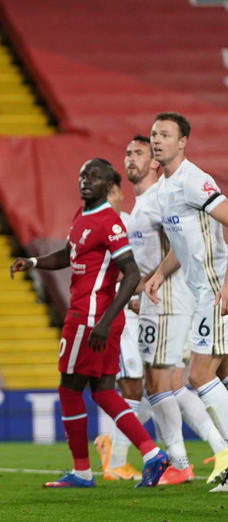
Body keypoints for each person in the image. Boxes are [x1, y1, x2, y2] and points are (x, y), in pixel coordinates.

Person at [10, 158, 169, 488]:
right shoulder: (82, 217)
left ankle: (82, 471)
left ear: (110, 186)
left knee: (69, 390)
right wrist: (34, 261)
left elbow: (132, 274)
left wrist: (104, 321)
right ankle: (152, 454)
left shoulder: (108, 222)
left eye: (95, 177)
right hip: (93, 317)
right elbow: (69, 255)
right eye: (83, 175)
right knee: (103, 391)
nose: (86, 181)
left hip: (90, 318)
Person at [106, 135, 228, 486]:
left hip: (173, 302)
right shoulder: (146, 204)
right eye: (127, 152)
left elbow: (194, 235)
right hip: (161, 298)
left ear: (155, 163)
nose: (131, 159)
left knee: (167, 383)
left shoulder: (168, 195)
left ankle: (185, 459)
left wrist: (156, 279)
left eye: (140, 152)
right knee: (174, 384)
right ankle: (199, 456)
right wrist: (150, 279)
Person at [144, 112, 228, 490]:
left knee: (198, 376)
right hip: (201, 291)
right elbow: (182, 243)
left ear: (183, 142)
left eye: (165, 134)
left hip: (215, 289)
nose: (157, 140)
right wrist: (161, 273)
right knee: (221, 376)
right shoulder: (163, 189)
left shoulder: (195, 181)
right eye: (153, 134)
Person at [93, 182, 151, 481]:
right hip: (121, 316)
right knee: (132, 387)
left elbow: (136, 268)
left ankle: (112, 443)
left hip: (138, 312)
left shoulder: (129, 222)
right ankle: (115, 459)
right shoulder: (92, 225)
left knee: (154, 389)